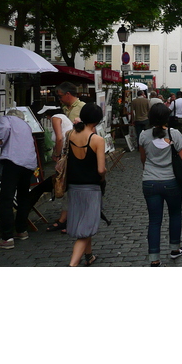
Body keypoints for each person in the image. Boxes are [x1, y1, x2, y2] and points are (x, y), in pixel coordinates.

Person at [139, 102, 182, 266]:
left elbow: (143, 159)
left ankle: (154, 258)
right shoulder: (174, 134)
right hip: (172, 181)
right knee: (175, 214)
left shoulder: (143, 135)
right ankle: (175, 248)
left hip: (150, 182)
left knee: (154, 221)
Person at [0, 109, 38, 249]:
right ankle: (22, 230)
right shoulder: (26, 125)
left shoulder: (7, 119)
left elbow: (4, 130)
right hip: (28, 163)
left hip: (13, 161)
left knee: (6, 198)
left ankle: (7, 237)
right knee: (23, 196)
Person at [65, 103, 106, 267]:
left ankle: (89, 256)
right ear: (97, 121)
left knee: (84, 224)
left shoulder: (70, 134)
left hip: (74, 186)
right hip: (91, 188)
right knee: (86, 228)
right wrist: (103, 177)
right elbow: (101, 169)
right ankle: (72, 265)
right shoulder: (97, 140)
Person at [47, 82, 86, 233]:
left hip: (78, 153)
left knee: (74, 186)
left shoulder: (82, 107)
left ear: (68, 94)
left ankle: (71, 219)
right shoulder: (63, 110)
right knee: (68, 185)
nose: (60, 99)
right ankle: (67, 218)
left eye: (61, 96)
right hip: (67, 154)